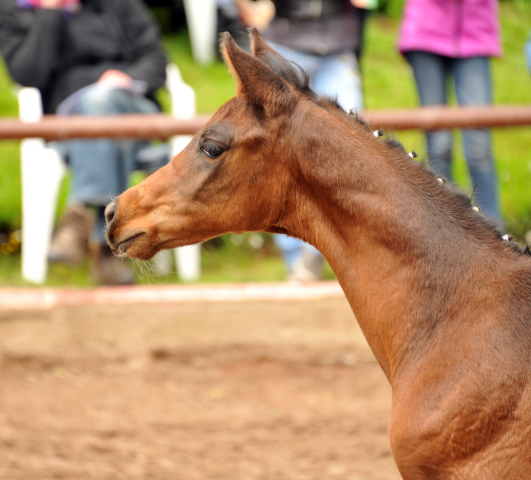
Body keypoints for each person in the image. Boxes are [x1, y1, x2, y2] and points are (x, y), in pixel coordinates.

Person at [0, 0, 168, 284]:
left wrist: (127, 79)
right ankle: (106, 253)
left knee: (101, 102)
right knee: (99, 114)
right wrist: (50, 12)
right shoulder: (15, 11)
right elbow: (28, 74)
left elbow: (155, 59)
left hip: (132, 108)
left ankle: (80, 217)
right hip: (67, 123)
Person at [238, 0, 369, 281]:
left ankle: (320, 250)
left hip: (337, 44)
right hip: (283, 41)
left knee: (351, 144)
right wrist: (247, 6)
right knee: (276, 149)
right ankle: (294, 256)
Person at [398, 0, 503, 226]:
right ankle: (448, 230)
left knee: (479, 147)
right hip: (425, 32)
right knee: (439, 146)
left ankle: (497, 236)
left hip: (475, 33)